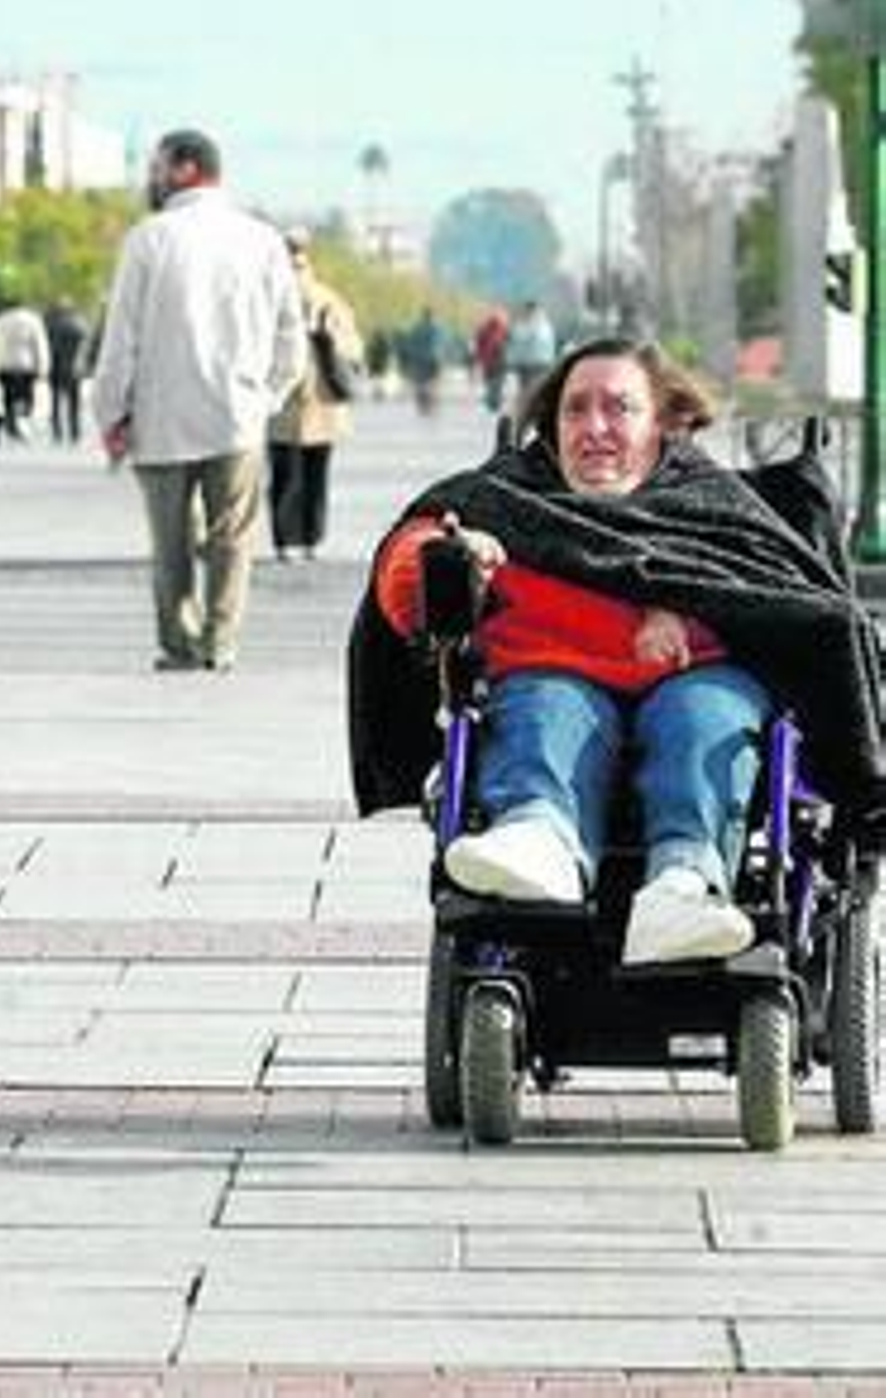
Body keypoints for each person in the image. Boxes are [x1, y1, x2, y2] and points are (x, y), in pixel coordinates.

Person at [350, 336, 886, 965]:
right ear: (551, 424)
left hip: (697, 686)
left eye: (619, 408)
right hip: (553, 684)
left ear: (665, 423)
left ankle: (685, 884)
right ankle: (539, 837)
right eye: (576, 409)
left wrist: (692, 613)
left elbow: (795, 609)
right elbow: (405, 572)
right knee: (549, 703)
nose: (594, 427)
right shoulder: (502, 500)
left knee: (703, 714)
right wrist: (451, 557)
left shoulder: (716, 509)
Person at [92, 128, 305, 672]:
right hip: (238, 416)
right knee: (232, 536)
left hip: (161, 418)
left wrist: (111, 413)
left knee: (171, 542)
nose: (152, 177)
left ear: (185, 169)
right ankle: (220, 642)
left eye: (158, 167)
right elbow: (291, 336)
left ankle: (179, 643)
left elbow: (121, 337)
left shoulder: (148, 239)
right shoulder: (263, 240)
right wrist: (268, 396)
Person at [267, 228, 363, 562]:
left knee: (283, 475)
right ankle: (311, 538)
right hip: (323, 402)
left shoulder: (268, 296)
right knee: (316, 475)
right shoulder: (328, 298)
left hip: (281, 399)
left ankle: (284, 540)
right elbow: (353, 348)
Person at [0, 301, 51, 441]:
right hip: (26, 364)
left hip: (4, 364)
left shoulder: (0, 320)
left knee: (8, 397)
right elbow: (39, 343)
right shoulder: (32, 320)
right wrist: (43, 366)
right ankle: (20, 422)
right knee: (26, 396)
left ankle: (11, 424)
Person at [45, 301, 91, 444]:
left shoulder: (52, 326)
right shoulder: (79, 324)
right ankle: (75, 432)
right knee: (74, 402)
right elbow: (85, 348)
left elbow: (50, 347)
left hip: (56, 366)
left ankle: (57, 431)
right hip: (74, 368)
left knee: (55, 402)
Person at [504, 298, 557, 403]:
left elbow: (517, 341)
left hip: (532, 361)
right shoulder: (545, 323)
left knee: (529, 387)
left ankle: (529, 404)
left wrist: (512, 359)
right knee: (530, 386)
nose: (525, 312)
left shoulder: (531, 324)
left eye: (526, 310)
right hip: (538, 361)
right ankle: (530, 403)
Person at [472, 305, 510, 414]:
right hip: (498, 360)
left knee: (492, 382)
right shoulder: (503, 330)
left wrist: (478, 357)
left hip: (490, 360)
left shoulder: (484, 330)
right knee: (496, 382)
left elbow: (478, 344)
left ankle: (493, 402)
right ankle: (494, 402)